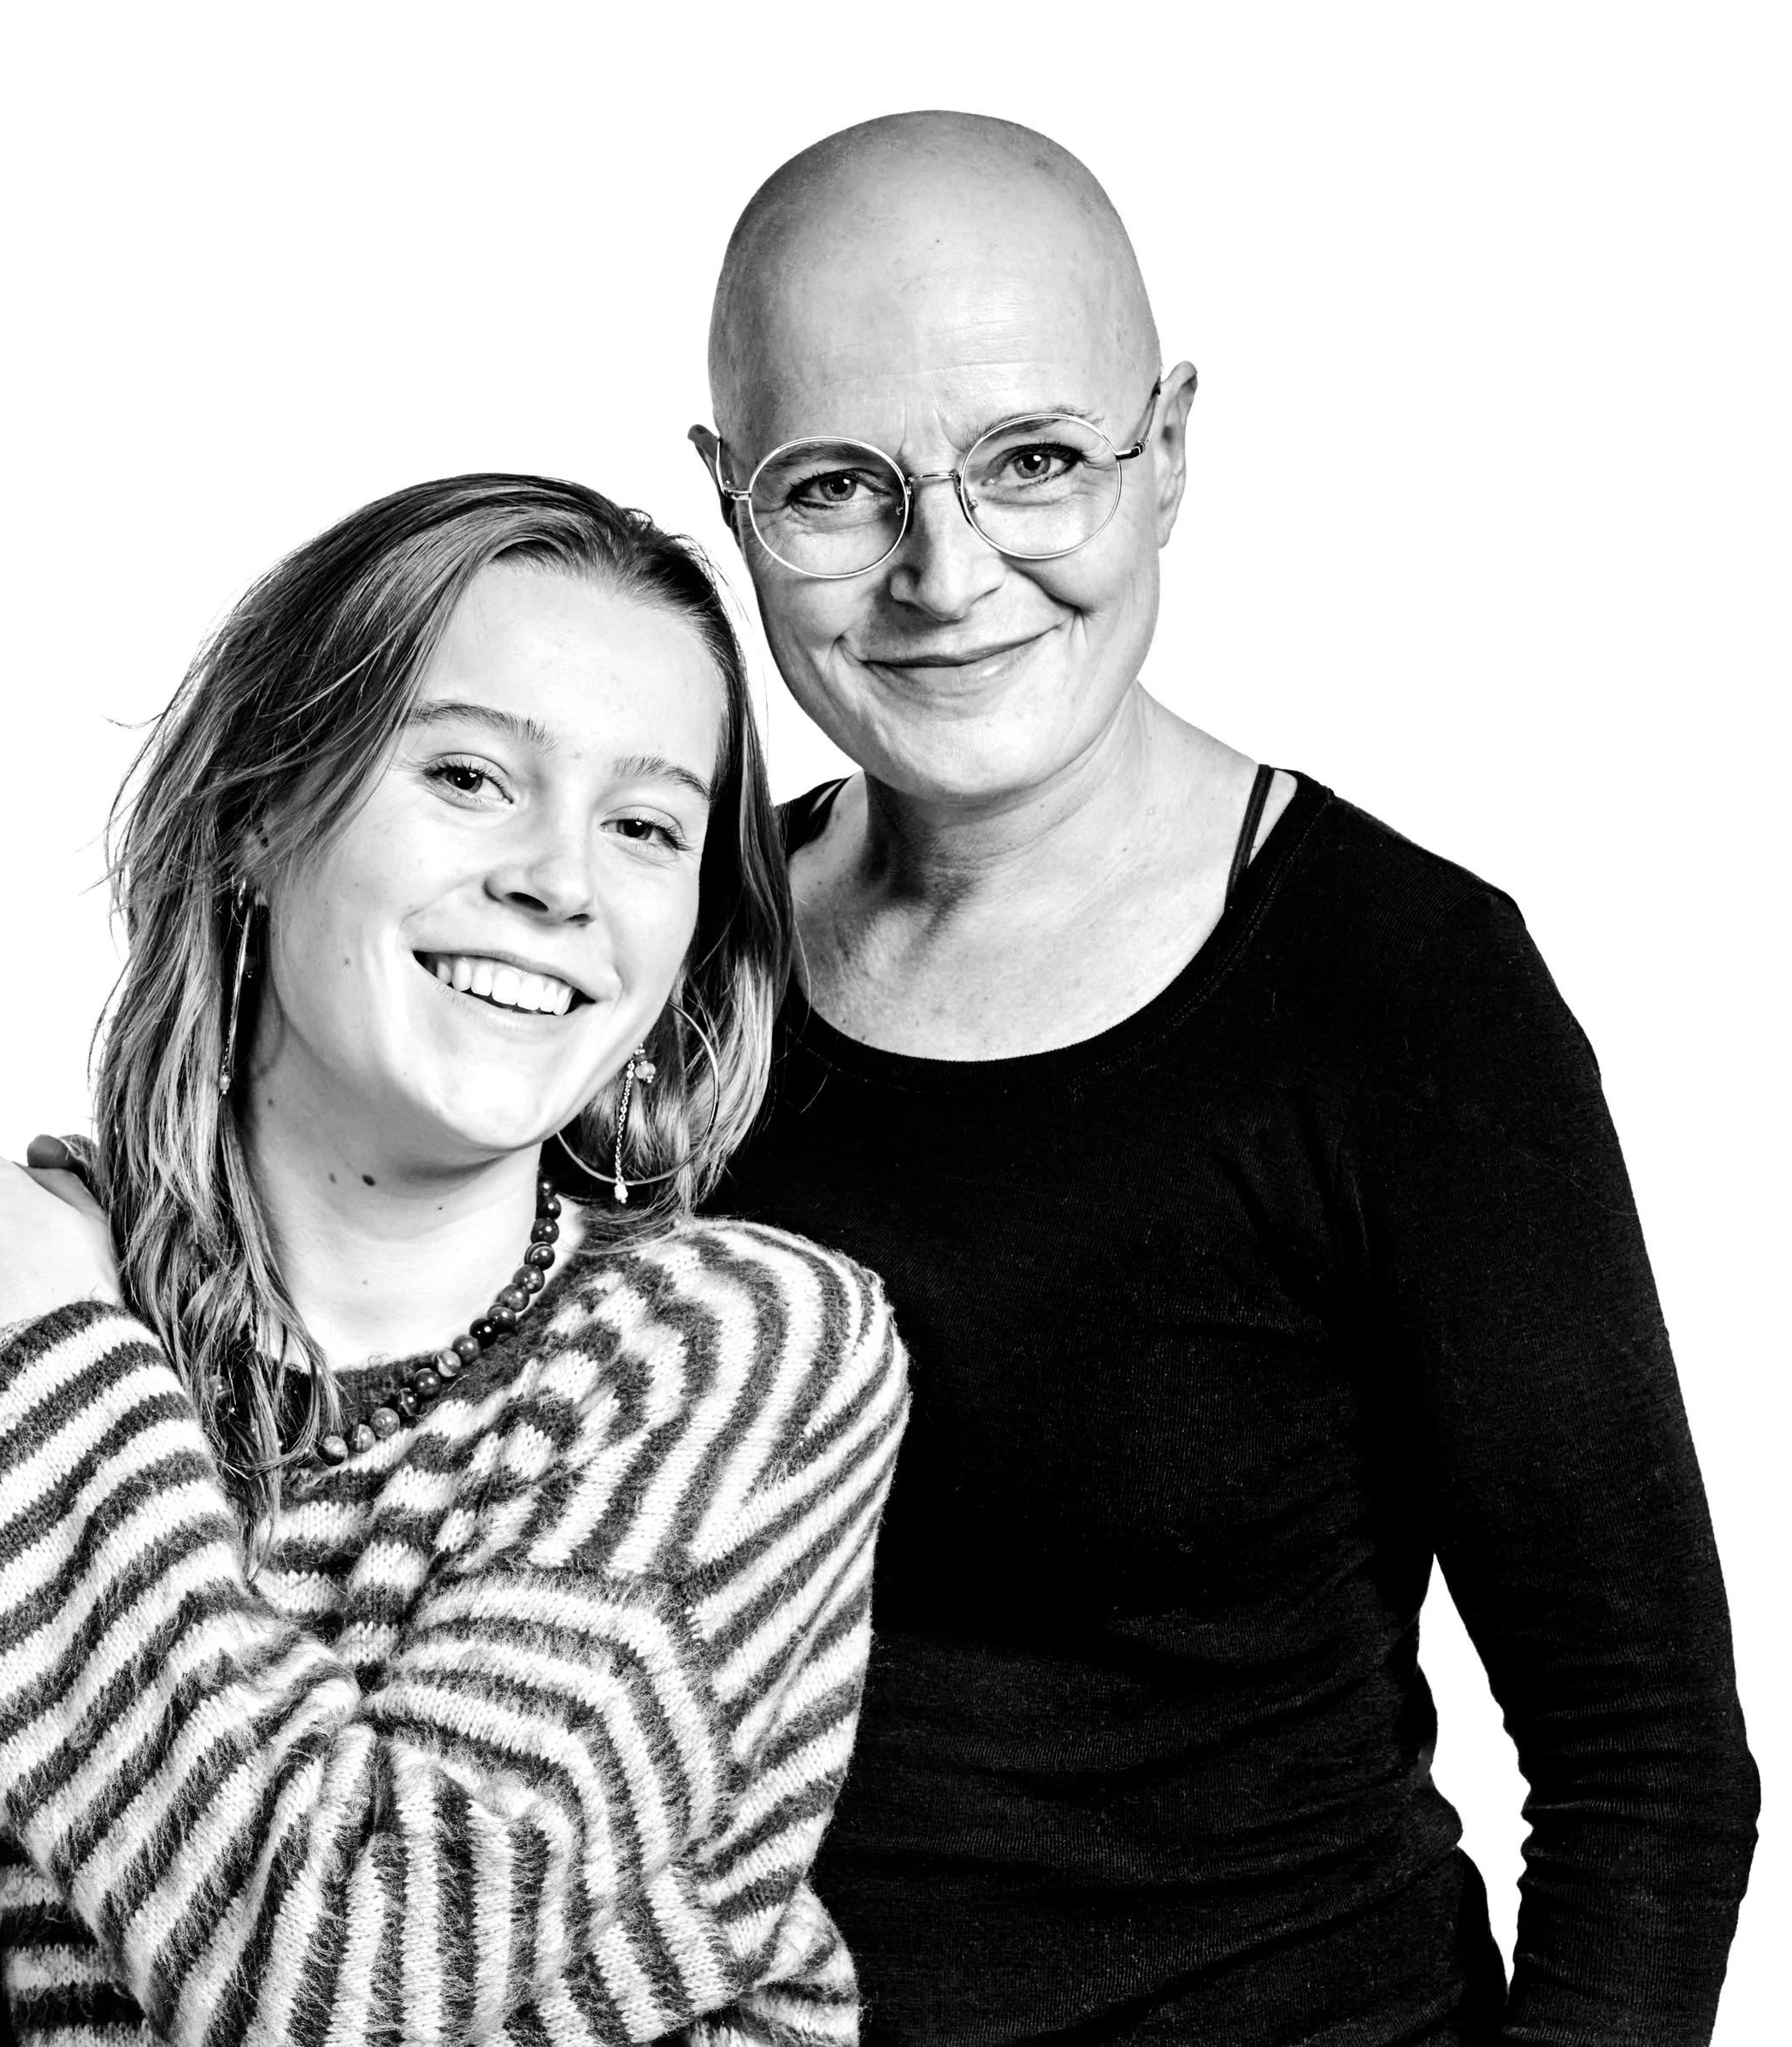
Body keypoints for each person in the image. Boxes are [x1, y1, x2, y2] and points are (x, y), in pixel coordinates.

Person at [688, 115, 1760, 2044]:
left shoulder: (1401, 994)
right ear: (724, 497)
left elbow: (1648, 1772)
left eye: (1035, 460)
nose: (946, 572)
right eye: (835, 485)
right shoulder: (656, 961)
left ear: (1165, 449)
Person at [0, 475, 911, 2044]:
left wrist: (44, 1391)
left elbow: (363, 1971)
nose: (560, 879)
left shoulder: (739, 1357)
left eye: (644, 825)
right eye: (472, 775)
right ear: (266, 810)